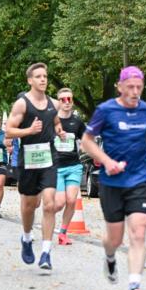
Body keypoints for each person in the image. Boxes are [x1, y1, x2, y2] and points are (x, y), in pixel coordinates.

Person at [81, 66, 146, 290]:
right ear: (119, 87)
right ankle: (110, 257)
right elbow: (87, 141)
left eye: (139, 87)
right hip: (112, 183)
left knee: (138, 233)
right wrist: (107, 161)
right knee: (115, 239)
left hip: (139, 180)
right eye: (130, 87)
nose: (135, 92)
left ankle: (134, 289)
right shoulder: (105, 110)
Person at [5, 63, 66, 271]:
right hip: (29, 159)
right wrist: (29, 131)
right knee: (30, 205)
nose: (43, 79)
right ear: (30, 80)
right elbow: (9, 131)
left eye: (45, 76)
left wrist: (59, 131)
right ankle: (26, 237)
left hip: (49, 158)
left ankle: (46, 253)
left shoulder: (54, 104)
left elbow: (56, 122)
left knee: (49, 204)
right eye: (38, 76)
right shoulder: (22, 104)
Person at [53, 88, 87, 245]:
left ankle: (63, 233)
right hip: (56, 168)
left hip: (74, 166)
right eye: (63, 99)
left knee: (72, 201)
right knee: (59, 203)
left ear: (72, 101)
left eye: (69, 99)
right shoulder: (52, 121)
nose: (66, 102)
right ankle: (48, 214)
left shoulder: (77, 122)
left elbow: (86, 140)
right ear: (58, 102)